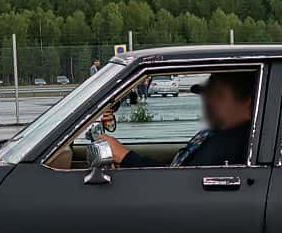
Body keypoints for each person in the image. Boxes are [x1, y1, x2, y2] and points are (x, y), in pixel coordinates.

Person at [96, 70, 253, 168]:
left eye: (219, 96)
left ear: (247, 101)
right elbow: (177, 173)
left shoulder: (233, 143)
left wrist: (124, 156)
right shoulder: (213, 135)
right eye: (207, 95)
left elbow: (181, 182)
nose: (209, 102)